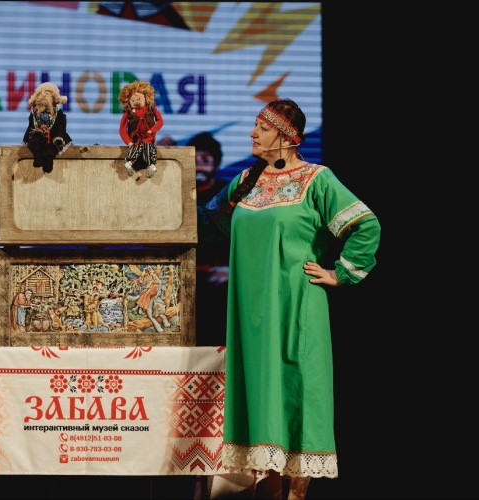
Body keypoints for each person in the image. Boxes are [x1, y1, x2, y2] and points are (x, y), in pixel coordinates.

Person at [198, 99, 381, 499]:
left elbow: (366, 225)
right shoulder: (244, 181)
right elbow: (204, 222)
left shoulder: (317, 179)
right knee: (261, 397)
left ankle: (296, 495)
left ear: (285, 136)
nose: (253, 134)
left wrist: (341, 273)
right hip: (250, 314)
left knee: (298, 388)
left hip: (296, 305)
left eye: (262, 128)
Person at [118, 80, 164, 178]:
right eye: (132, 100)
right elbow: (122, 128)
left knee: (148, 147)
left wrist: (152, 130)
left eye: (138, 99)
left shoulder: (151, 108)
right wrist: (128, 142)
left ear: (146, 97)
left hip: (148, 138)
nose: (136, 102)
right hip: (135, 139)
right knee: (134, 147)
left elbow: (160, 121)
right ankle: (129, 163)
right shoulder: (128, 112)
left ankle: (151, 165)